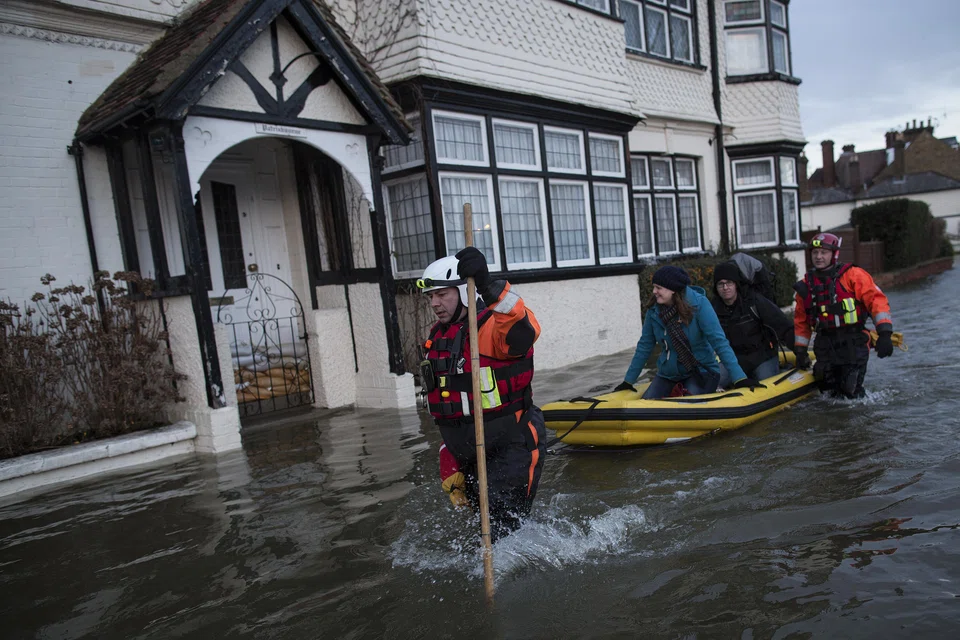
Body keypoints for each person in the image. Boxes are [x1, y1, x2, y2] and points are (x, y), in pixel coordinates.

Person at [417, 247, 545, 541]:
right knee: (482, 531)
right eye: (431, 297)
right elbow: (450, 406)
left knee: (504, 531)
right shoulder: (437, 337)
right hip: (468, 452)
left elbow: (523, 329)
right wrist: (448, 457)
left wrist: (489, 286)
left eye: (442, 294)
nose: (435, 303)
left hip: (511, 445)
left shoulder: (491, 328)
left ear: (463, 291)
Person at [616, 265, 759, 398]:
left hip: (702, 372)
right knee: (647, 403)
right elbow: (644, 346)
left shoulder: (700, 304)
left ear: (672, 289)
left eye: (658, 288)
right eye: (654, 287)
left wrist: (739, 378)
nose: (654, 292)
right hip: (669, 373)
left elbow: (719, 342)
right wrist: (628, 381)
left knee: (687, 402)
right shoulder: (654, 311)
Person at [793, 232, 894, 399]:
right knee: (828, 391)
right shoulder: (805, 286)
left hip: (853, 342)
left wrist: (884, 333)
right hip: (825, 344)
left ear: (834, 254)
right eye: (815, 253)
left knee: (850, 391)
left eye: (823, 252)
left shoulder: (853, 275)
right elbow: (801, 321)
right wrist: (801, 352)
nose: (818, 257)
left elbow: (876, 301)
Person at [712, 260, 795, 387]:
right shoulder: (714, 308)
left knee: (765, 384)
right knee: (713, 382)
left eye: (729, 283)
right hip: (735, 359)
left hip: (763, 356)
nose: (725, 288)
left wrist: (800, 353)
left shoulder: (755, 302)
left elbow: (783, 326)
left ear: (736, 284)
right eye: (720, 284)